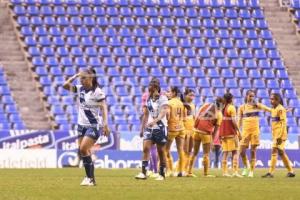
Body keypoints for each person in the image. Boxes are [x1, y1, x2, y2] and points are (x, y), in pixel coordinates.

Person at [63, 68, 110, 186]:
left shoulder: (97, 92)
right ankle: (90, 179)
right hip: (81, 125)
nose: (81, 80)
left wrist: (105, 124)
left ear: (91, 78)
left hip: (93, 126)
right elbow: (65, 85)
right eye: (81, 78)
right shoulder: (80, 89)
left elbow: (103, 108)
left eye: (84, 78)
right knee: (84, 151)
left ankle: (90, 178)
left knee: (84, 149)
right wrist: (75, 76)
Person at [135, 81, 169, 181]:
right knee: (145, 148)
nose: (149, 91)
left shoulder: (163, 99)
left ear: (156, 89)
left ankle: (162, 174)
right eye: (149, 89)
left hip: (160, 128)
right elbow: (145, 115)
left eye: (151, 89)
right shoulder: (148, 99)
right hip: (149, 128)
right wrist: (142, 128)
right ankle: (143, 173)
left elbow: (163, 113)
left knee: (161, 152)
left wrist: (155, 121)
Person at [187, 97, 224, 177]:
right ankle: (206, 173)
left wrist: (195, 128)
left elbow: (197, 117)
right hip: (206, 134)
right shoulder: (219, 114)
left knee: (194, 153)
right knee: (206, 154)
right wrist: (212, 141)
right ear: (222, 105)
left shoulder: (206, 105)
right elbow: (216, 130)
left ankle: (189, 172)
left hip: (196, 132)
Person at [262, 93, 296, 178]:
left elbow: (283, 124)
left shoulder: (280, 109)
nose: (271, 101)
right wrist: (259, 105)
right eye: (270, 99)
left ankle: (270, 172)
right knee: (281, 152)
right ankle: (291, 171)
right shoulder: (275, 108)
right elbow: (268, 109)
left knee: (274, 151)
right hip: (276, 135)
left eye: (272, 99)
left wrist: (279, 136)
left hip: (280, 135)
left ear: (277, 100)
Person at [165, 86, 187, 177]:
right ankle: (180, 171)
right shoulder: (182, 103)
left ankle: (168, 170)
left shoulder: (169, 103)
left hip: (172, 128)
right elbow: (184, 117)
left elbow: (167, 115)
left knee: (165, 150)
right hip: (181, 128)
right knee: (180, 150)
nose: (168, 93)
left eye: (169, 92)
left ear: (174, 93)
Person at [140, 78, 161, 177]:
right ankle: (155, 170)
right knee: (156, 148)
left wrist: (142, 128)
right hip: (160, 124)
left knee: (150, 148)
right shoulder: (163, 95)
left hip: (152, 124)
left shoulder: (146, 96)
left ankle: (153, 170)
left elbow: (145, 113)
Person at [219, 93, 242, 177]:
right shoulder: (231, 108)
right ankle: (235, 172)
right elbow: (234, 121)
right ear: (231, 99)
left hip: (223, 134)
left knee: (225, 152)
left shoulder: (222, 108)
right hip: (231, 133)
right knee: (235, 152)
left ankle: (224, 172)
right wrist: (239, 131)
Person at [182, 88, 196, 174]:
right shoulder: (182, 105)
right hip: (184, 130)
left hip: (192, 130)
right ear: (185, 95)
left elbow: (194, 117)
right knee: (185, 150)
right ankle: (182, 169)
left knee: (190, 150)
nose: (192, 97)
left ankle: (187, 169)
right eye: (190, 95)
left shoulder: (193, 105)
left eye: (193, 95)